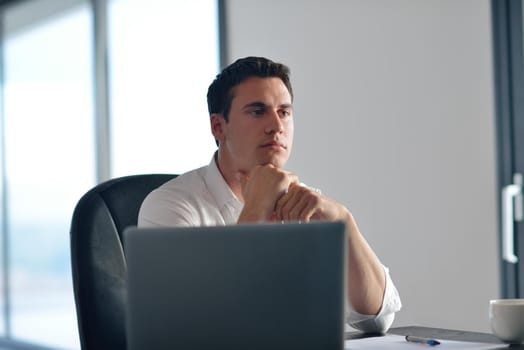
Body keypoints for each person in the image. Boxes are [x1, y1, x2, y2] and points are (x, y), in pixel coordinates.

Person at [138, 56, 401, 333]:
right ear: (218, 126)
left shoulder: (305, 203)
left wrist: (343, 221)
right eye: (257, 111)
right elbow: (197, 326)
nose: (276, 126)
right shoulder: (169, 207)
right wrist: (258, 207)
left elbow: (377, 318)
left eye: (284, 112)